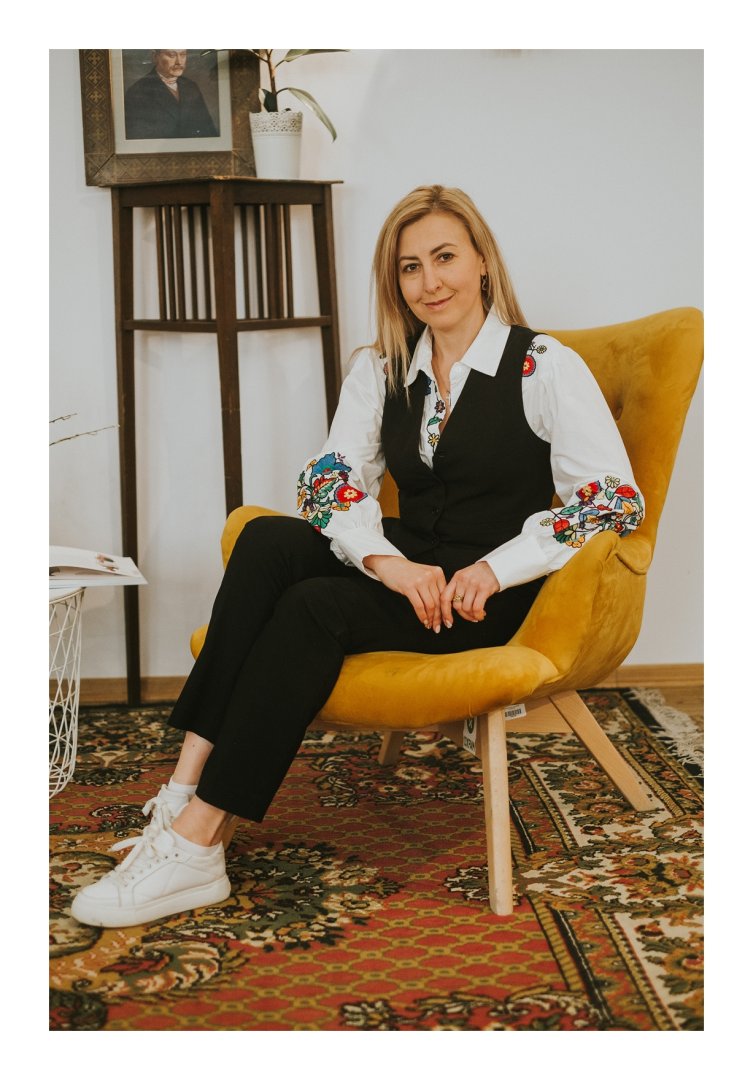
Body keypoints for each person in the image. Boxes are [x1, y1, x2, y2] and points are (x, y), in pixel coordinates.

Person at [71, 185, 645, 928]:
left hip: (489, 597)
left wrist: (494, 569)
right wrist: (387, 565)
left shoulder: (542, 366)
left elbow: (609, 499)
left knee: (312, 607)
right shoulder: (383, 367)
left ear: (482, 262)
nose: (429, 281)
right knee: (267, 540)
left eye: (444, 257)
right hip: (418, 571)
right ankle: (182, 793)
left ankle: (198, 842)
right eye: (410, 267)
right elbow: (329, 481)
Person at [124, 50, 218, 140]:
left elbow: (209, 130)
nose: (179, 62)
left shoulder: (191, 86)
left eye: (183, 55)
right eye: (172, 55)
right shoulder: (138, 92)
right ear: (155, 57)